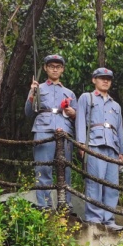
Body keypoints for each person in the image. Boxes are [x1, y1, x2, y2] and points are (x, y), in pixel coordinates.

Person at [75, 67, 123, 231]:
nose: (105, 81)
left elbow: (119, 129)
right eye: (101, 78)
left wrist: (121, 152)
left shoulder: (116, 105)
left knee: (112, 185)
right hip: (94, 144)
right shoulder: (86, 97)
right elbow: (80, 121)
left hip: (112, 146)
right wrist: (81, 144)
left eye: (108, 79)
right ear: (94, 80)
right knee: (95, 182)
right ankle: (94, 219)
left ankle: (109, 219)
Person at [25, 54, 77, 210]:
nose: (55, 69)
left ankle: (65, 204)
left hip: (65, 130)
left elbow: (77, 117)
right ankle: (44, 205)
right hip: (43, 129)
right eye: (51, 66)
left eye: (58, 66)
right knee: (43, 167)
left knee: (65, 169)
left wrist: (73, 112)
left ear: (62, 69)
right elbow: (28, 113)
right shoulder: (37, 88)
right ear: (45, 68)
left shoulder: (70, 93)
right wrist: (32, 93)